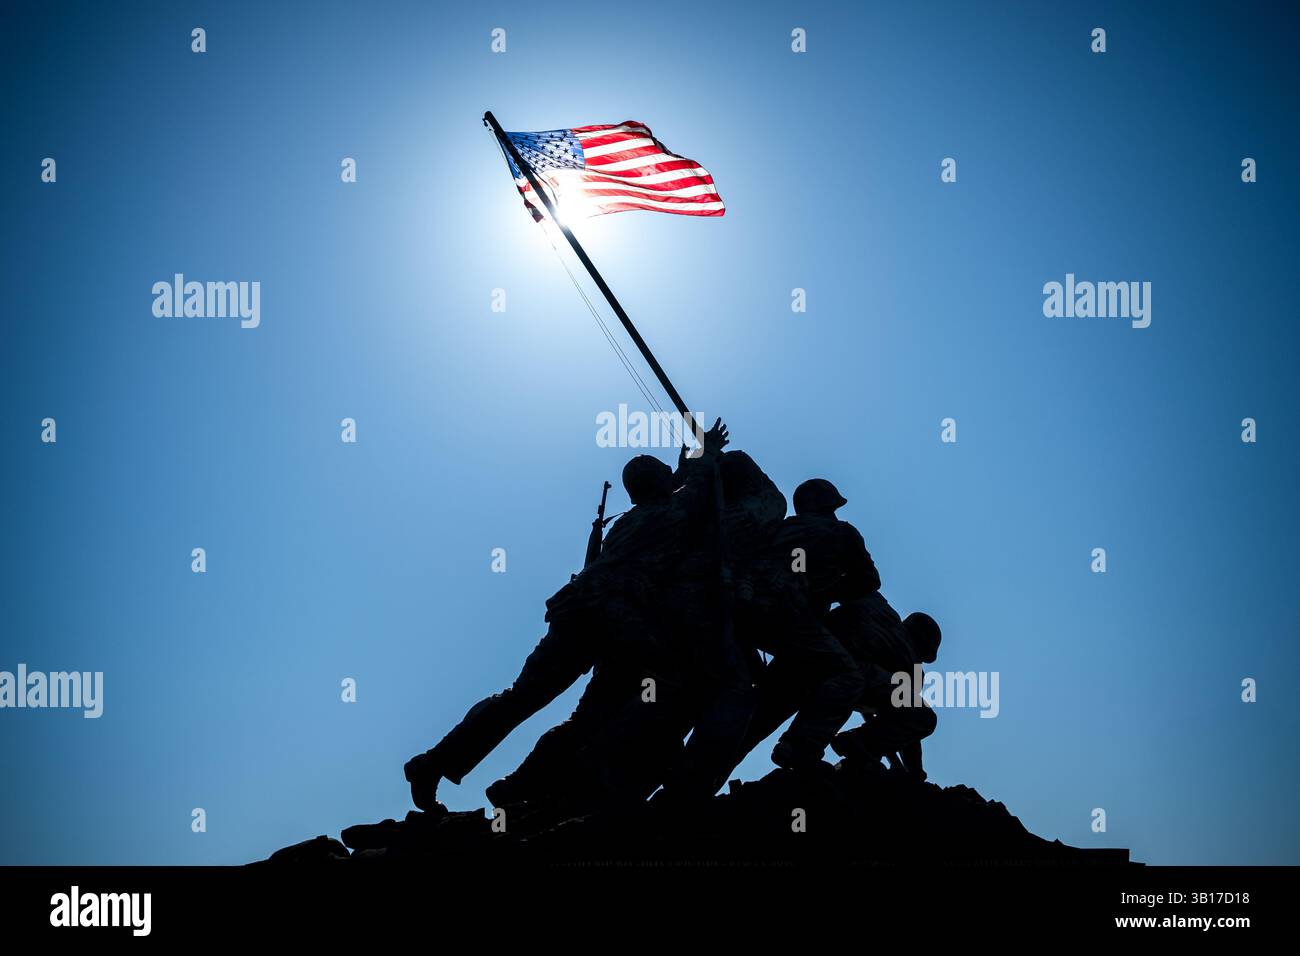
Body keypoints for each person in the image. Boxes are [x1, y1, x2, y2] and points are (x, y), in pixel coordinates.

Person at [403, 420, 730, 811]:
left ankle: (454, 768)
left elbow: (677, 484)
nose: (670, 477)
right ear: (658, 484)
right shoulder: (666, 515)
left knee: (532, 700)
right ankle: (589, 779)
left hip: (588, 611)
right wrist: (706, 451)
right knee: (663, 684)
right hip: (613, 615)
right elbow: (694, 491)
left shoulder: (636, 517)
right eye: (665, 474)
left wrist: (689, 458)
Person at [829, 595, 942, 780]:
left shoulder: (884, 633)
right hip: (850, 679)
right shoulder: (911, 665)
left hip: (837, 672)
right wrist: (914, 771)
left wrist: (896, 764)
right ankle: (855, 742)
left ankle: (857, 745)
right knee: (925, 718)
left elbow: (885, 718)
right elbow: (908, 720)